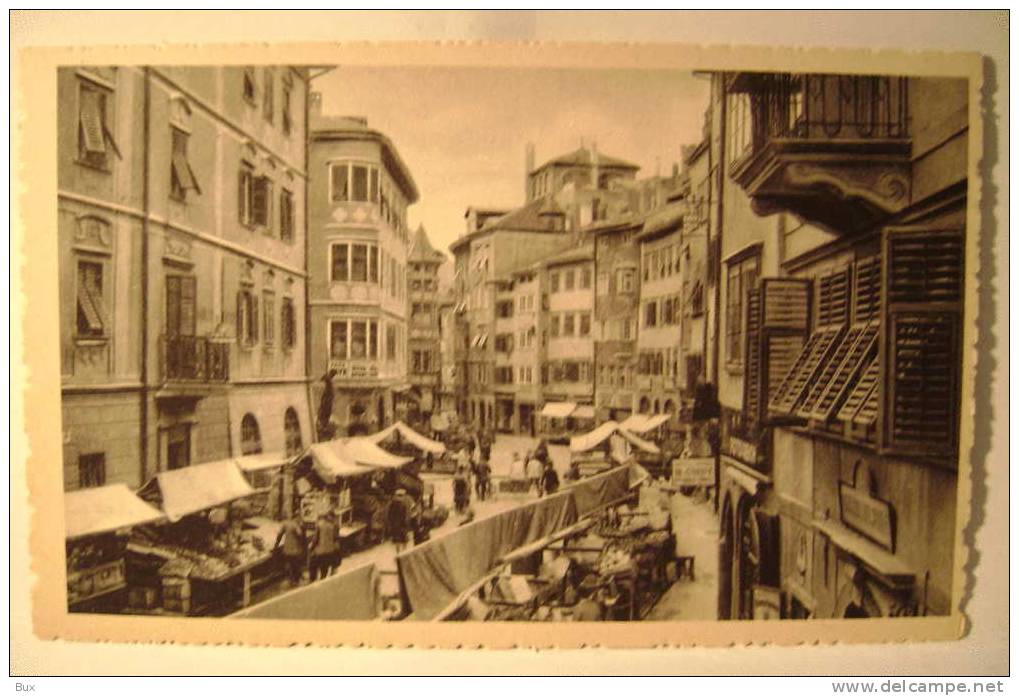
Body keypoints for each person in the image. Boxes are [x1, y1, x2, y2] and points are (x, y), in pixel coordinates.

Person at [273, 514, 307, 586]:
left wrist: (276, 544)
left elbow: (279, 534)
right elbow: (300, 534)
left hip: (287, 548)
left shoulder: (286, 524)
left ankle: (291, 579)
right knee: (296, 564)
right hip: (296, 549)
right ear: (296, 518)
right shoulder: (296, 525)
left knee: (289, 563)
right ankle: (295, 580)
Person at [308, 512, 339, 581]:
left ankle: (312, 580)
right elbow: (335, 538)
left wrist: (311, 547)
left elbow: (315, 539)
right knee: (324, 569)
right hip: (330, 551)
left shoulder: (319, 525)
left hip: (320, 552)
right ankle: (323, 580)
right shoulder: (332, 525)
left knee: (313, 564)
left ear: (320, 518)